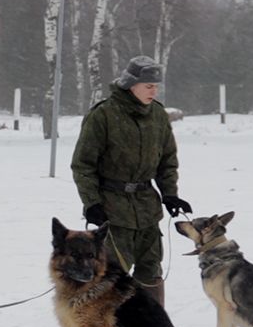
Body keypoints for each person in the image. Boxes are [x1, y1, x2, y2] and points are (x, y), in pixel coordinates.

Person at [70, 55, 192, 308]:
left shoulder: (158, 115)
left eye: (156, 86)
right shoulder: (103, 115)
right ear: (131, 84)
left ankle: (152, 323)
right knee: (112, 271)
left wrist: (170, 194)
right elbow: (83, 164)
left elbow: (167, 160)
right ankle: (105, 326)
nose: (154, 91)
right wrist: (92, 202)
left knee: (151, 270)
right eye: (149, 86)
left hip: (148, 207)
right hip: (112, 209)